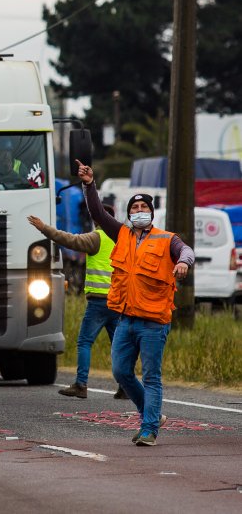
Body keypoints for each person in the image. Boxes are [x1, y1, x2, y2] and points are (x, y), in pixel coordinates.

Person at [77, 161, 194, 446]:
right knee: (120, 372)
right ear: (129, 214)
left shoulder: (166, 240)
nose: (139, 212)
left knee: (152, 377)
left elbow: (186, 250)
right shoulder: (123, 235)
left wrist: (182, 263)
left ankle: (149, 430)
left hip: (154, 322)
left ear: (152, 214)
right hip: (125, 321)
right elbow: (97, 213)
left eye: (144, 209)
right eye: (135, 209)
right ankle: (150, 414)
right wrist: (90, 184)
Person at [28, 203, 128, 400]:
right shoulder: (123, 238)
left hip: (99, 302)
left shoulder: (96, 237)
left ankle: (81, 384)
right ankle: (125, 386)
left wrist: (44, 228)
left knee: (84, 342)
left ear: (98, 220)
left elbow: (69, 240)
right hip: (118, 301)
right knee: (118, 345)